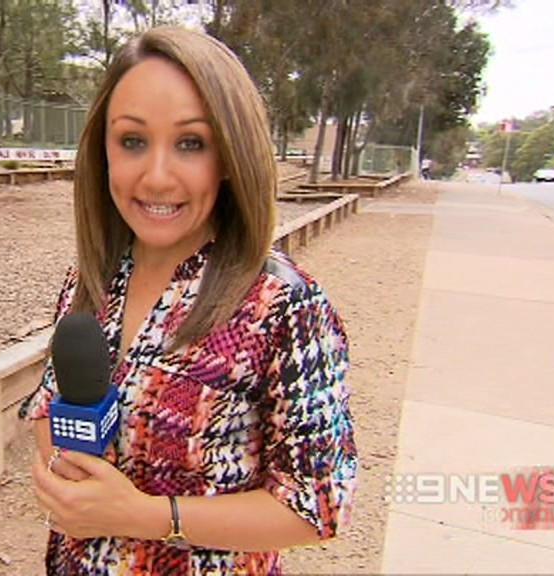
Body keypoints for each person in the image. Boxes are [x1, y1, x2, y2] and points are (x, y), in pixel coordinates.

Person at [20, 26, 357, 575]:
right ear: (103, 150)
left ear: (229, 155)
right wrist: (66, 474)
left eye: (191, 143)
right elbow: (48, 406)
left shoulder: (284, 306)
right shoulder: (91, 280)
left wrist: (144, 516)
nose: (156, 177)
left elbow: (318, 506)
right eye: (132, 141)